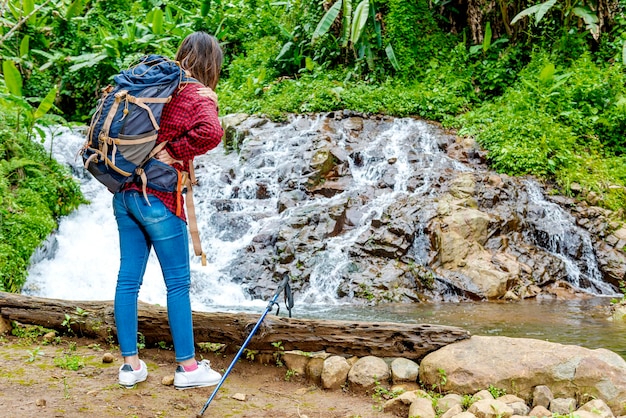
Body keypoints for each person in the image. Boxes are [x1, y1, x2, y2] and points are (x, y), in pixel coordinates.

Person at [112, 32, 224, 390]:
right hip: (160, 198)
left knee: (128, 280)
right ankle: (188, 369)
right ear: (212, 64)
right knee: (177, 284)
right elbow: (212, 131)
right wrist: (175, 150)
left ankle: (130, 366)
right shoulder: (195, 93)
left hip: (125, 193)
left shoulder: (155, 85)